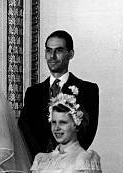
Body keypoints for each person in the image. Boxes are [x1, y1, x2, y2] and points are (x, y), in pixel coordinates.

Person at [19, 30, 99, 159]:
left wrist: (66, 157)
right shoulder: (33, 93)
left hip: (71, 163)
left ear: (71, 54)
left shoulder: (88, 89)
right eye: (49, 50)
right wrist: (42, 158)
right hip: (38, 165)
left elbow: (88, 130)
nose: (52, 56)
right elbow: (25, 130)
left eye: (59, 51)